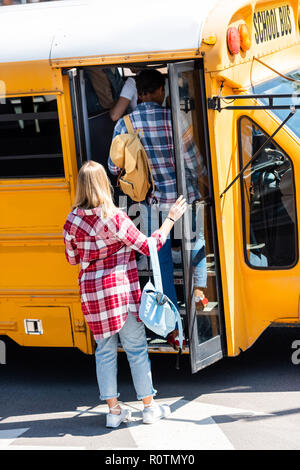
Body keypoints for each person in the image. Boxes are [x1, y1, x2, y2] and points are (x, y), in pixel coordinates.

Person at [63, 161, 187, 428]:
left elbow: (72, 259)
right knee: (136, 350)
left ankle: (114, 412)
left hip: (92, 295)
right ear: (102, 184)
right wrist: (170, 220)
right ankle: (149, 407)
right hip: (120, 293)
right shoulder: (115, 216)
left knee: (104, 352)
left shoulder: (71, 221)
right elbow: (148, 246)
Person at [108, 69, 179, 308]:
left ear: (139, 94)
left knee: (161, 256)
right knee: (196, 242)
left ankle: (169, 315)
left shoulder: (125, 124)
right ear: (160, 91)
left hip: (148, 200)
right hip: (178, 197)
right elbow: (193, 161)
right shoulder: (175, 118)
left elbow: (112, 165)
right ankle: (199, 292)